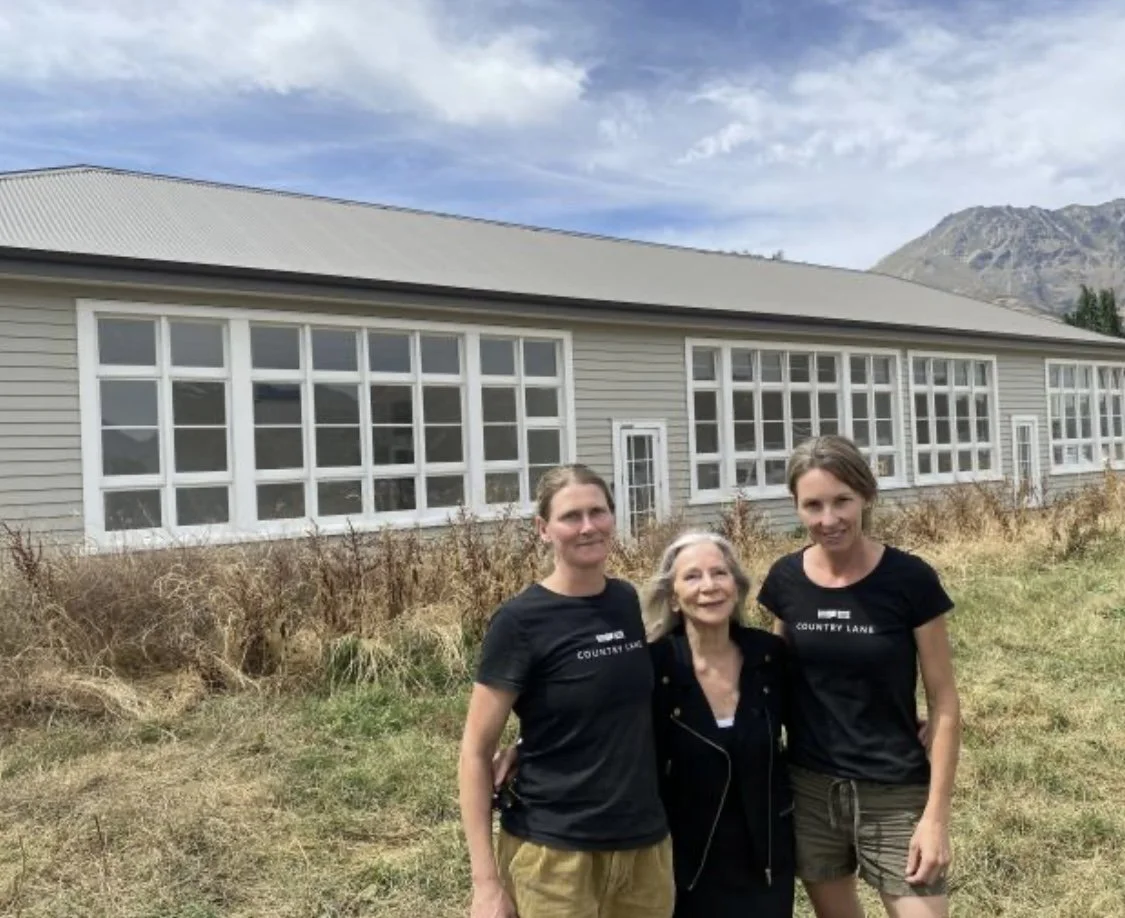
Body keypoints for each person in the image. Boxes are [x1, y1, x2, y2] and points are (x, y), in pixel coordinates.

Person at [757, 435, 961, 918]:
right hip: (810, 790)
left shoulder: (910, 579)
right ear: (797, 506)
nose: (829, 520)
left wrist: (935, 817)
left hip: (895, 791)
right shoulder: (785, 580)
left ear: (866, 495)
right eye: (813, 505)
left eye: (842, 501)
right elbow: (774, 678)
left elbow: (945, 702)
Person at [458, 464, 673, 918]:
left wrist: (524, 742)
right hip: (555, 853)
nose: (588, 526)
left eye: (598, 512)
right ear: (543, 529)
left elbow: (616, 702)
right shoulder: (519, 622)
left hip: (643, 846)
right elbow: (475, 753)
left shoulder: (625, 601)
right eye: (571, 516)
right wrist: (485, 885)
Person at [644, 531, 796, 918]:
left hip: (765, 860)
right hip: (686, 865)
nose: (709, 586)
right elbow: (603, 727)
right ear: (673, 597)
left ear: (737, 587)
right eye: (692, 577)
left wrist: (896, 720)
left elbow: (817, 718)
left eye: (719, 573)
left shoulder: (769, 657)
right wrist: (523, 748)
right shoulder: (653, 667)